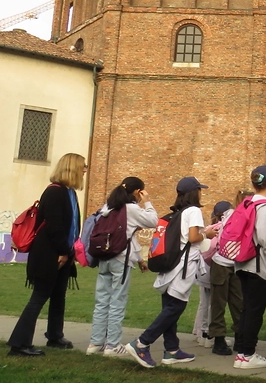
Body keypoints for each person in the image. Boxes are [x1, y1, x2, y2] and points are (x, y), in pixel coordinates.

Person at [127, 176, 217, 368]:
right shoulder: (193, 211)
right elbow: (193, 237)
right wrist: (207, 234)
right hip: (182, 266)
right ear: (194, 192)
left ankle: (172, 350)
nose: (201, 192)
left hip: (170, 265)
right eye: (199, 189)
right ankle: (142, 343)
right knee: (175, 307)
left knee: (169, 307)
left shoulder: (177, 212)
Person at [7, 153, 86, 357]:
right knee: (39, 296)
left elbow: (72, 225)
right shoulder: (54, 192)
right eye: (82, 166)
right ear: (72, 168)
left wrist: (70, 252)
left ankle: (55, 335)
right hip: (49, 254)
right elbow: (54, 227)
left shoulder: (69, 192)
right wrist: (62, 251)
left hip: (64, 252)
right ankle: (19, 343)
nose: (85, 170)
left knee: (58, 295)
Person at [87, 177, 159, 356]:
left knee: (102, 301)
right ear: (137, 192)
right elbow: (152, 221)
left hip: (104, 257)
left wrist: (139, 260)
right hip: (121, 260)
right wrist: (147, 201)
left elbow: (128, 237)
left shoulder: (108, 207)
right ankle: (112, 345)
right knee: (117, 302)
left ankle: (95, 344)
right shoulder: (131, 209)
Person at [233, 166, 266, 370]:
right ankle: (248, 354)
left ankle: (242, 352)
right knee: (255, 311)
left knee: (246, 309)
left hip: (242, 262)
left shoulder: (246, 204)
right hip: (258, 265)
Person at [208, 199, 244, 356]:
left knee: (219, 303)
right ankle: (238, 338)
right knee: (238, 302)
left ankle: (220, 340)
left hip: (221, 262)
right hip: (235, 263)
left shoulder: (224, 220)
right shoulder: (241, 216)